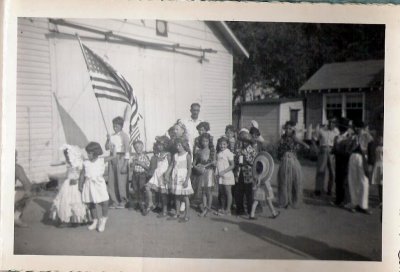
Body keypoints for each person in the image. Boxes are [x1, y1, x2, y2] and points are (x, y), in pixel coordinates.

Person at [50, 145, 90, 226]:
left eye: (67, 155)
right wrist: (53, 163)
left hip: (75, 183)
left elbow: (81, 173)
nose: (66, 157)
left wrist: (77, 179)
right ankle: (66, 218)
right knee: (65, 200)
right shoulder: (67, 162)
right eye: (65, 155)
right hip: (67, 183)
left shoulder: (78, 162)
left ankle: (77, 218)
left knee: (76, 200)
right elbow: (54, 163)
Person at [79, 142, 114, 232]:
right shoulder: (85, 162)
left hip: (99, 184)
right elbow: (82, 174)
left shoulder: (102, 160)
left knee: (105, 201)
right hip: (89, 184)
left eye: (89, 153)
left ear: (95, 153)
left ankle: (103, 219)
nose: (88, 155)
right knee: (91, 203)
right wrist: (80, 184)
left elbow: (114, 156)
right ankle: (95, 220)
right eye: (87, 153)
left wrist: (112, 147)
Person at [277, 121, 310, 209]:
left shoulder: (294, 138)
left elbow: (304, 144)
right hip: (284, 160)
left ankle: (293, 200)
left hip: (292, 161)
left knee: (294, 181)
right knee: (284, 181)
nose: (288, 130)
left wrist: (304, 147)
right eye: (287, 128)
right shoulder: (282, 138)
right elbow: (279, 149)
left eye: (290, 128)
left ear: (292, 130)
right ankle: (285, 201)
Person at [347, 121, 372, 214]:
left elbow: (371, 149)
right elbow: (348, 149)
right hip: (353, 156)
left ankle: (364, 205)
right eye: (356, 127)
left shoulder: (367, 136)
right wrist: (351, 141)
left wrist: (370, 163)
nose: (357, 129)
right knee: (353, 180)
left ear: (363, 128)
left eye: (359, 128)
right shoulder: (352, 136)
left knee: (364, 181)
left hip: (363, 158)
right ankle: (354, 203)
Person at [105, 116, 130, 209]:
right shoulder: (111, 136)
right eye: (113, 126)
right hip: (112, 157)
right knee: (112, 180)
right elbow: (106, 148)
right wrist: (108, 139)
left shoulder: (125, 136)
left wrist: (125, 164)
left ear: (121, 126)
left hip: (121, 157)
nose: (114, 128)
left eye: (117, 126)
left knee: (121, 180)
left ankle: (123, 200)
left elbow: (127, 150)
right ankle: (114, 201)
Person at [166, 138, 194, 222]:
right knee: (177, 196)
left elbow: (189, 169)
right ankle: (177, 213)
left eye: (180, 145)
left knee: (185, 197)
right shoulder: (175, 155)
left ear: (184, 146)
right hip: (176, 177)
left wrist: (186, 180)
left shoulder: (187, 155)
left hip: (184, 178)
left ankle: (187, 215)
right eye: (177, 145)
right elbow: (171, 166)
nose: (178, 147)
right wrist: (167, 174)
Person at [313, 118, 339, 196]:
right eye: (330, 122)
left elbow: (338, 142)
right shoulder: (321, 130)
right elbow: (313, 139)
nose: (331, 124)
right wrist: (316, 149)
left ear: (335, 124)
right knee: (321, 170)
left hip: (332, 151)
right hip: (323, 150)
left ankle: (329, 190)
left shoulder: (336, 131)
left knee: (332, 172)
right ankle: (318, 189)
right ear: (328, 122)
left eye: (333, 123)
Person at [146, 136, 172, 217]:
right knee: (147, 187)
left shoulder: (168, 154)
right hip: (156, 174)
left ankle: (164, 211)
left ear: (165, 145)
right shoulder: (158, 154)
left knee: (163, 194)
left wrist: (167, 174)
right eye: (158, 145)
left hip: (163, 175)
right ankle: (151, 203)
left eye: (161, 145)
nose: (159, 146)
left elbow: (171, 165)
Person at [331, 118, 354, 207]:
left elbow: (349, 151)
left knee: (345, 180)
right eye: (340, 127)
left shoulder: (349, 138)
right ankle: (338, 199)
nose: (341, 129)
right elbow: (334, 149)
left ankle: (345, 200)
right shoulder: (337, 137)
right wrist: (334, 150)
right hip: (338, 160)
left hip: (346, 160)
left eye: (343, 127)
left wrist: (338, 150)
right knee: (338, 179)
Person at [193, 133, 216, 217]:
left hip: (209, 173)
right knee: (203, 191)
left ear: (209, 141)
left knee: (209, 191)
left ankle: (208, 208)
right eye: (203, 141)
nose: (204, 142)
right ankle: (205, 207)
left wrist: (211, 163)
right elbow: (194, 163)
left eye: (206, 141)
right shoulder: (198, 151)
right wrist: (197, 167)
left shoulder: (212, 151)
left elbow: (214, 162)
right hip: (202, 173)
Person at [235, 132, 257, 216]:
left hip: (248, 173)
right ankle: (240, 210)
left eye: (245, 141)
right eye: (242, 141)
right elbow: (236, 161)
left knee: (249, 193)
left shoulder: (252, 150)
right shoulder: (239, 149)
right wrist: (237, 158)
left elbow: (253, 162)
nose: (244, 143)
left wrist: (246, 155)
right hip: (240, 172)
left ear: (249, 142)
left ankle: (250, 210)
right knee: (239, 192)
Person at [215, 136, 235, 216]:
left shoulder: (229, 153)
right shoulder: (219, 153)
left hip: (227, 175)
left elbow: (232, 165)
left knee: (228, 192)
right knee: (222, 193)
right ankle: (223, 208)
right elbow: (218, 164)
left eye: (224, 144)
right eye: (221, 144)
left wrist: (224, 171)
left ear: (227, 144)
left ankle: (228, 210)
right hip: (220, 176)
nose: (222, 146)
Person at [130, 140, 151, 213]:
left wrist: (140, 163)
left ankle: (144, 206)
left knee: (142, 189)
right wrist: (133, 164)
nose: (137, 149)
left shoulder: (145, 157)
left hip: (142, 175)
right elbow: (131, 166)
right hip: (135, 175)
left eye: (138, 147)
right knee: (136, 189)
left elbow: (148, 167)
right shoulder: (134, 157)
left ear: (142, 147)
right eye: (135, 148)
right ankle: (139, 203)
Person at [14, 151, 32, 228]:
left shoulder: (16, 167)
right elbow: (27, 183)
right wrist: (27, 190)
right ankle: (16, 217)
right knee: (28, 194)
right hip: (6, 195)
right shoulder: (16, 167)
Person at [370, 135, 383, 208]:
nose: (380, 141)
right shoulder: (377, 148)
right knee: (379, 184)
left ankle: (383, 201)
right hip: (377, 166)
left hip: (382, 166)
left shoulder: (384, 149)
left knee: (382, 184)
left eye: (381, 139)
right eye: (379, 139)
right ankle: (380, 201)